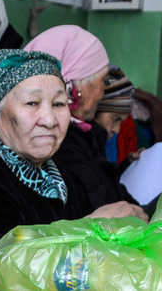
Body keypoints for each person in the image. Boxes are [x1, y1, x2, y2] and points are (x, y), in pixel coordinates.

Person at [0, 49, 147, 266]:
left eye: (58, 104)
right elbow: (3, 269)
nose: (49, 119)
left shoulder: (59, 175)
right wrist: (90, 228)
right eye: (32, 103)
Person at [25, 25, 146, 213]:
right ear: (77, 85)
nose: (102, 93)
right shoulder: (59, 143)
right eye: (102, 81)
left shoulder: (80, 135)